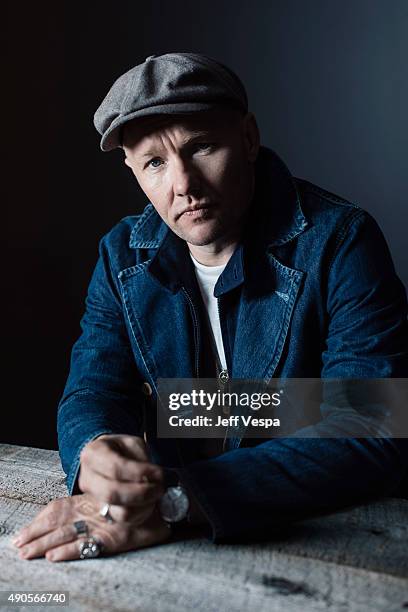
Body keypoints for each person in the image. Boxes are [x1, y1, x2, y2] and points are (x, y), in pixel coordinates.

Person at [12, 53, 408, 562]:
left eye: (201, 147)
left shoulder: (339, 241)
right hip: (166, 553)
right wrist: (98, 452)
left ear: (247, 139)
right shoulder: (120, 256)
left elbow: (372, 425)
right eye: (155, 162)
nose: (184, 184)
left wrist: (177, 498)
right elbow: (94, 389)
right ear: (133, 171)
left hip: (336, 544)